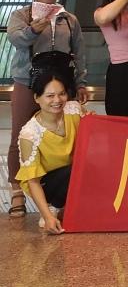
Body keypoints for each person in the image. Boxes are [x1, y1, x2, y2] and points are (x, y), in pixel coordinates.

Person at [6, 0, 87, 219]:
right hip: (27, 82)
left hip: (60, 85)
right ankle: (17, 191)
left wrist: (80, 83)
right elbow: (15, 40)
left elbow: (79, 52)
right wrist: (33, 29)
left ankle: (61, 190)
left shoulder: (68, 19)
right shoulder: (21, 15)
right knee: (20, 134)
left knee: (69, 134)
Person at [15, 72, 80, 234]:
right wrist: (47, 216)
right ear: (37, 98)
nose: (57, 100)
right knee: (75, 170)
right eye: (50, 96)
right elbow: (33, 181)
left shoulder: (74, 110)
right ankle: (53, 207)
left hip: (74, 173)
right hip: (46, 184)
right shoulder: (29, 134)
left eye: (62, 94)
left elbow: (95, 130)